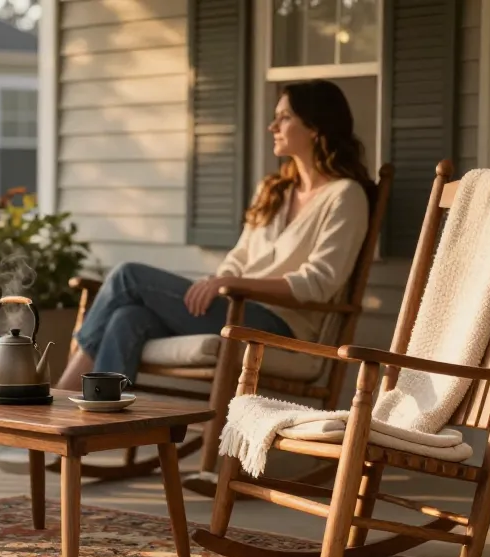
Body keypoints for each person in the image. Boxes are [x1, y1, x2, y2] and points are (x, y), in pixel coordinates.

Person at [55, 79, 377, 391]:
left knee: (129, 276)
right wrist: (220, 284)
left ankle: (61, 394)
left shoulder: (345, 196)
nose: (272, 127)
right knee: (128, 318)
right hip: (233, 306)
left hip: (280, 325)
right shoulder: (275, 190)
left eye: (284, 117)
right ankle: (99, 418)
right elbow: (239, 257)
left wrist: (231, 284)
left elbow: (319, 283)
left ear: (315, 127)